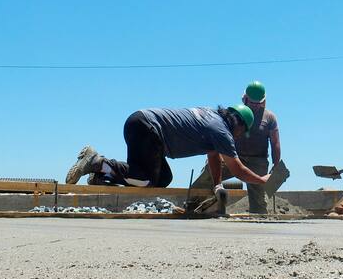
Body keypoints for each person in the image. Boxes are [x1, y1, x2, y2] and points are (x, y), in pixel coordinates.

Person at [65, 105, 269, 193]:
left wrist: (217, 185)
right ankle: (96, 162)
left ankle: (104, 175)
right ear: (240, 125)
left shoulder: (213, 117)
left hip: (141, 123)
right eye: (242, 133)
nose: (239, 137)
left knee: (163, 178)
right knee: (147, 180)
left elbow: (214, 156)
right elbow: (236, 169)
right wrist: (262, 180)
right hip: (147, 129)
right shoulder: (222, 131)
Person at [192, 81, 281, 213]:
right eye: (252, 103)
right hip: (233, 156)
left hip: (257, 161)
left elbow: (275, 142)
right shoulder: (235, 113)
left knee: (259, 197)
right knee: (208, 174)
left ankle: (259, 219)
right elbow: (221, 135)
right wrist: (217, 156)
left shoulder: (270, 117)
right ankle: (191, 205)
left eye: (259, 103)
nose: (256, 106)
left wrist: (276, 165)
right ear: (245, 99)